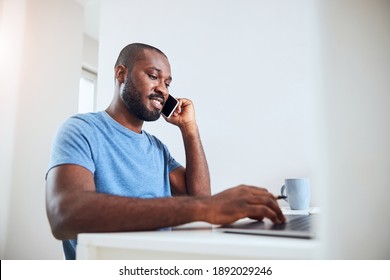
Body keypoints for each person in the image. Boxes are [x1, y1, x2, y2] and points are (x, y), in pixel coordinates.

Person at [45, 43, 285, 260]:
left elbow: (199, 196)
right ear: (121, 74)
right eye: (153, 76)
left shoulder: (157, 149)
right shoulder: (80, 130)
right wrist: (206, 208)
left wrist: (189, 130)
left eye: (168, 83)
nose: (163, 90)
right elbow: (65, 215)